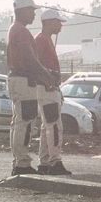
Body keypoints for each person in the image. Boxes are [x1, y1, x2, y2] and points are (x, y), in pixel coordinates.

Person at [4, 0, 63, 176]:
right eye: (31, 10)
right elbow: (29, 59)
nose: (33, 14)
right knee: (25, 122)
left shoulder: (16, 29)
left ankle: (20, 161)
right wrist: (47, 75)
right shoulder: (21, 31)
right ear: (22, 11)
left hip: (20, 79)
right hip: (23, 79)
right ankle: (22, 163)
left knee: (22, 121)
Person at [31, 9, 71, 176]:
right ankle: (55, 162)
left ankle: (45, 162)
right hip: (46, 87)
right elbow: (36, 63)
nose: (60, 25)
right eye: (58, 22)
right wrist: (48, 81)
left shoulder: (44, 39)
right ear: (49, 22)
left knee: (46, 126)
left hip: (48, 87)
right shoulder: (41, 40)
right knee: (54, 125)